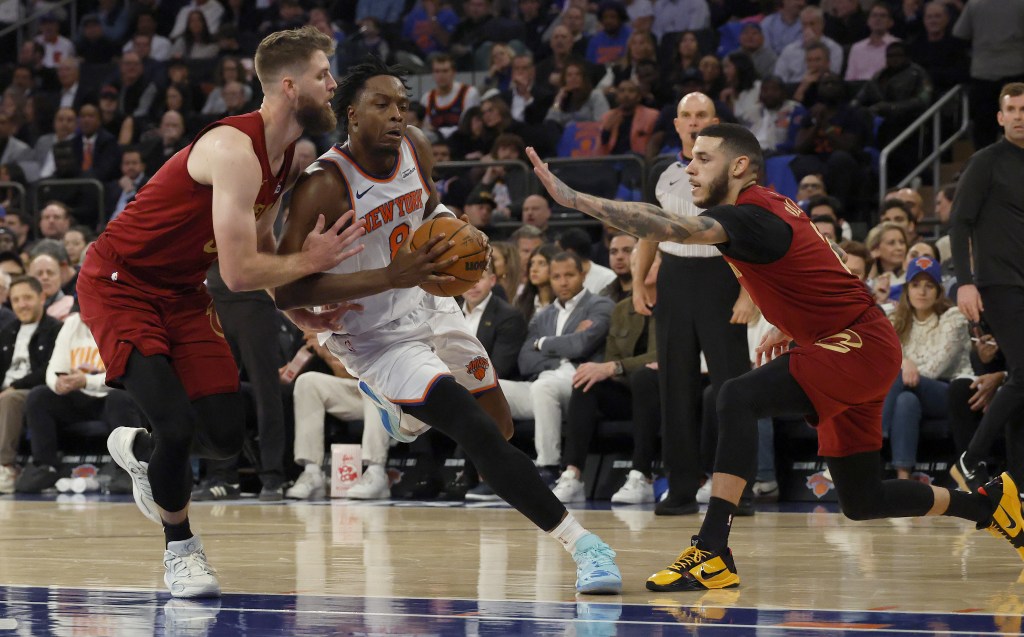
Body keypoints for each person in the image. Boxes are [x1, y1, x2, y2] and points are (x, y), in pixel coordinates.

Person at [526, 122, 1024, 591]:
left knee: (735, 396)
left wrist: (574, 199)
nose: (690, 168)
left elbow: (666, 226)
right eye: (690, 158)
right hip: (853, 342)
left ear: (739, 166)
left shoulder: (750, 214)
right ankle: (986, 506)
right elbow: (821, 263)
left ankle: (712, 551)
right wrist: (792, 322)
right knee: (862, 499)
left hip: (855, 345)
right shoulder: (769, 209)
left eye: (703, 158)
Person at [76, 27, 435, 600]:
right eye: (322, 74)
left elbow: (264, 248)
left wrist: (300, 314)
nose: (333, 84)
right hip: (120, 285)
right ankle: (181, 550)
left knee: (223, 435)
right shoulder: (232, 150)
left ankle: (140, 452)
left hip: (183, 291)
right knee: (176, 425)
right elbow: (240, 273)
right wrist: (312, 259)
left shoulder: (289, 157)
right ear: (290, 86)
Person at [273, 58, 622, 596]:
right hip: (376, 337)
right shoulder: (323, 185)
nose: (397, 115)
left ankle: (404, 414)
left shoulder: (415, 146)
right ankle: (586, 547)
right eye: (381, 104)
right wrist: (390, 275)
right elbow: (286, 291)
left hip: (431, 303)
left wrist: (459, 231)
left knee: (499, 426)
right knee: (475, 431)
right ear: (350, 114)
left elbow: (429, 205)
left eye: (402, 104)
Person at [631, 92, 754, 516]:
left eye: (702, 115)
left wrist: (748, 293)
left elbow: (749, 234)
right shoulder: (660, 171)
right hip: (674, 277)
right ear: (678, 123)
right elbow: (647, 229)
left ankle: (737, 489)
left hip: (723, 277)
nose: (694, 121)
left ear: (715, 121)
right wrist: (638, 281)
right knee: (675, 387)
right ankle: (681, 488)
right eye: (686, 115)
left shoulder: (734, 169)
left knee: (732, 388)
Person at [949, 83, 1024, 492]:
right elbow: (959, 223)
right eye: (1012, 109)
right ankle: (970, 459)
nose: (1018, 116)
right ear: (1000, 117)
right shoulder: (986, 161)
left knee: (1019, 380)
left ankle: (1018, 484)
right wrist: (965, 282)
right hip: (998, 283)